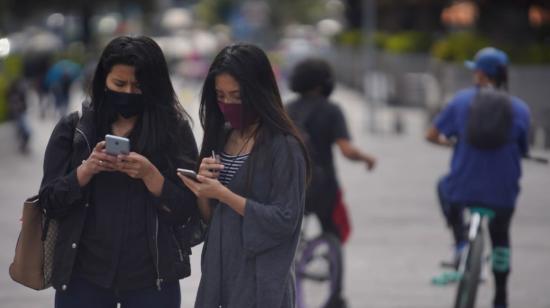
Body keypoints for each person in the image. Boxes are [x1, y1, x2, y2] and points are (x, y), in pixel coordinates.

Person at [38, 36, 198, 308]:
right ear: (104, 81)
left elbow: (188, 210)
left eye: (139, 86)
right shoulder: (75, 129)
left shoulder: (174, 130)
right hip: (83, 279)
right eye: (119, 84)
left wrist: (152, 176)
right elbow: (49, 201)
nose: (128, 93)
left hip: (152, 281)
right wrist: (85, 171)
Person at [178, 43, 309, 308]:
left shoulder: (283, 146)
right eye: (221, 96)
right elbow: (211, 219)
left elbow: (286, 219)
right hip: (219, 274)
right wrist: (204, 189)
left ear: (259, 92)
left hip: (260, 281)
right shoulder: (221, 137)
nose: (228, 104)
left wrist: (224, 194)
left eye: (237, 96)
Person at [426, 47, 531, 308]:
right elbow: (523, 150)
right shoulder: (520, 109)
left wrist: (453, 144)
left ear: (480, 74)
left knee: (443, 185)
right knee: (500, 236)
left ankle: (461, 241)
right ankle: (501, 296)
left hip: (463, 188)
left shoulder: (461, 101)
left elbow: (431, 135)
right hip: (503, 194)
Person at [285, 58, 376, 307]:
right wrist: (366, 158)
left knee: (289, 236)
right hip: (324, 188)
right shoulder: (331, 110)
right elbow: (346, 150)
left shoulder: (287, 109)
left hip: (293, 187)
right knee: (333, 233)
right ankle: (336, 295)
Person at [7, 77, 31, 153]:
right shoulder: (15, 93)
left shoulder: (19, 92)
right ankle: (23, 145)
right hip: (17, 114)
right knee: (22, 131)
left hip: (19, 114)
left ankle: (23, 145)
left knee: (23, 131)